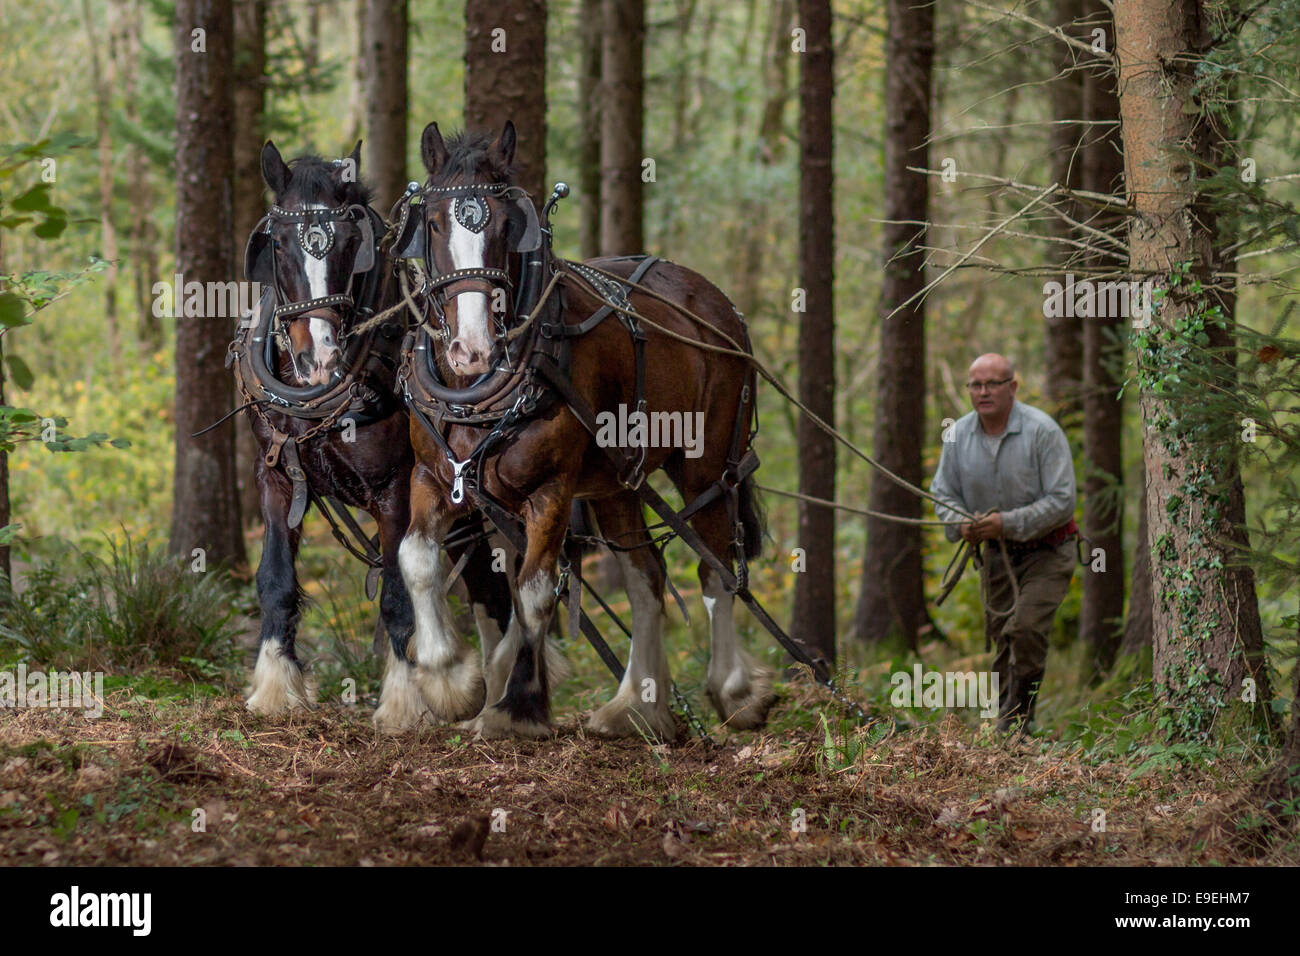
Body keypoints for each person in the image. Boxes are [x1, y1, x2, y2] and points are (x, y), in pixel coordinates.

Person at [930, 353, 1077, 733]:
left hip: (1048, 552)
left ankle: (1015, 724)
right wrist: (960, 522)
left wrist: (1007, 523)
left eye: (992, 383)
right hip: (996, 558)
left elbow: (1062, 501)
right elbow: (942, 492)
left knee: (1025, 629)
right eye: (975, 385)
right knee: (1002, 642)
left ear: (1012, 387)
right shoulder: (957, 434)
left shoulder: (1043, 431)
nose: (983, 392)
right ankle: (1009, 724)